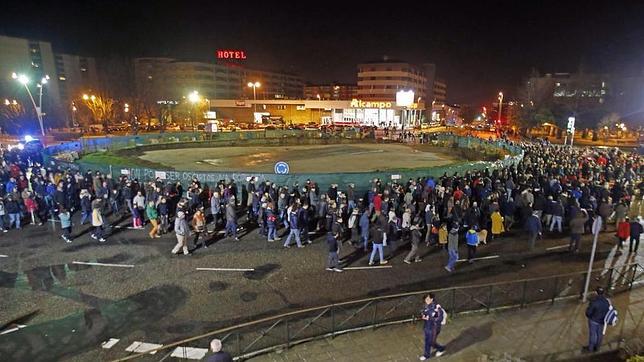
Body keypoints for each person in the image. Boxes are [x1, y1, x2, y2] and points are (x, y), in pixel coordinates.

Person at [420, 293, 446, 360]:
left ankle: (441, 348)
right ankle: (426, 355)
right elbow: (423, 313)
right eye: (426, 299)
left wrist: (431, 317)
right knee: (427, 341)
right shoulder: (426, 306)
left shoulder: (436, 307)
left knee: (431, 342)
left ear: (432, 299)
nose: (427, 300)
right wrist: (423, 316)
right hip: (427, 327)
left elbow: (439, 318)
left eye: (428, 299)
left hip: (434, 328)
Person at [583, 287, 610, 353]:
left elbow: (588, 312)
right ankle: (597, 347)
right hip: (602, 321)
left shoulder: (594, 302)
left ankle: (590, 348)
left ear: (596, 292)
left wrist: (590, 316)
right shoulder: (606, 301)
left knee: (593, 335)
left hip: (593, 320)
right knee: (599, 334)